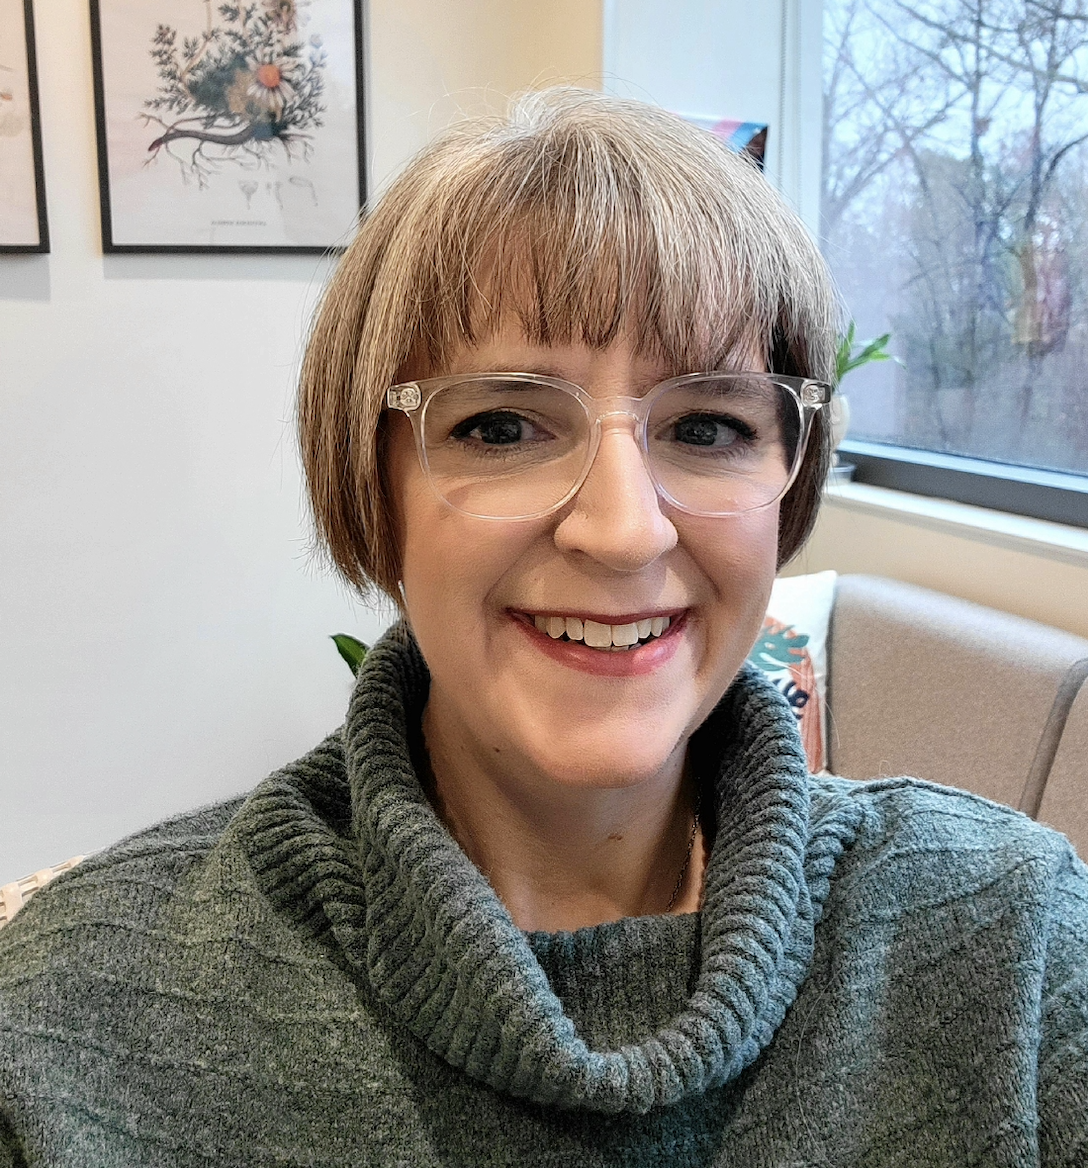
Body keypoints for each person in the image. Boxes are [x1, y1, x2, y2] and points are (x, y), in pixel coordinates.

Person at [1, 88, 1086, 1167]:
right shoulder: (68, 1024)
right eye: (502, 425)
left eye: (706, 424)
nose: (620, 530)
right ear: (372, 493)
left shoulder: (1012, 939)